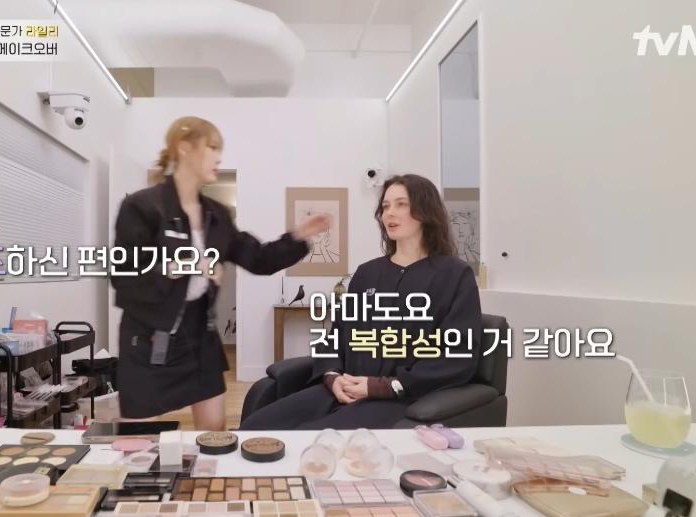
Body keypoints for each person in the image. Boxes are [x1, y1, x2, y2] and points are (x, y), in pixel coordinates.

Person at [112, 116, 330, 431]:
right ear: (184, 148)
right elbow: (124, 277)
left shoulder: (217, 215)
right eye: (212, 147)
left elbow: (258, 259)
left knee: (214, 436)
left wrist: (297, 237)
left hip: (199, 336)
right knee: (138, 441)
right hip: (147, 338)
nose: (218, 157)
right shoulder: (142, 207)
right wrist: (188, 265)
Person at [240, 174, 482, 430]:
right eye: (385, 206)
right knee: (256, 427)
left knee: (308, 439)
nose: (389, 213)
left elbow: (458, 355)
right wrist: (332, 376)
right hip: (342, 391)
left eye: (401, 204)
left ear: (426, 211)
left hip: (399, 399)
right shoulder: (367, 273)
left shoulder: (454, 275)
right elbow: (335, 337)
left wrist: (381, 386)